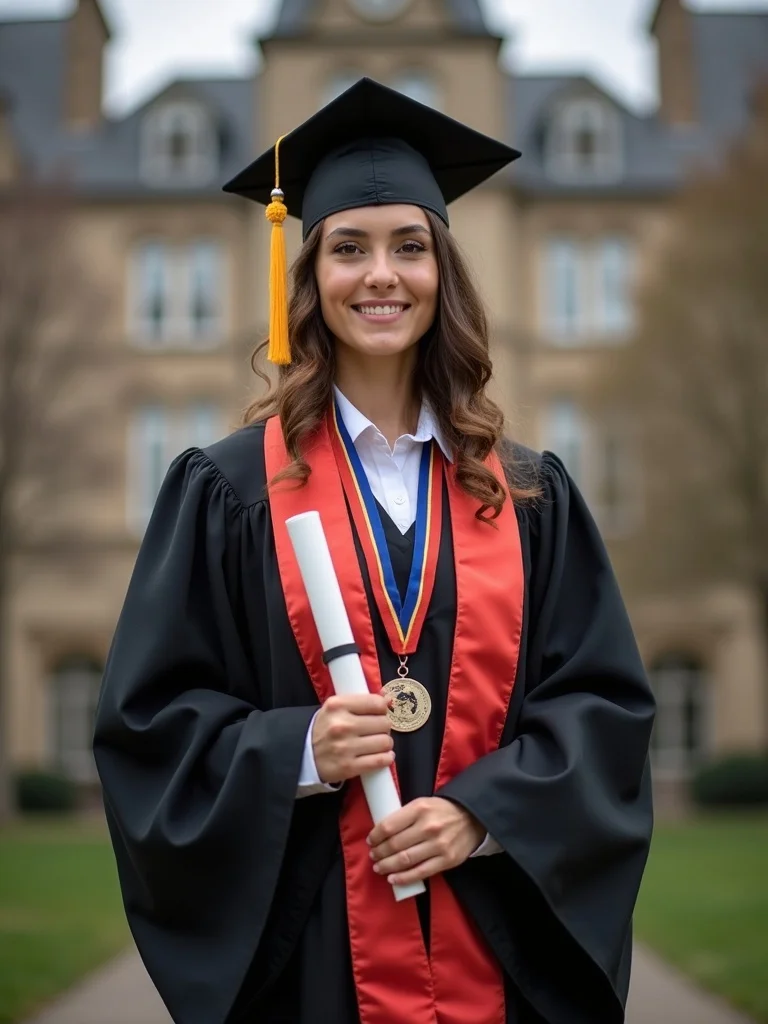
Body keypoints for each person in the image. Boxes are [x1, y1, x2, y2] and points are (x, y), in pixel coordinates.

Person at [93, 78, 655, 1024]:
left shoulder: (527, 494)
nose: (381, 276)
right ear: (308, 278)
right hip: (312, 953)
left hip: (492, 939)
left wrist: (487, 812)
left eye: (410, 247)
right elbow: (149, 723)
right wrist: (297, 750)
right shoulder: (229, 490)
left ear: (445, 272)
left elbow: (601, 707)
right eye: (348, 249)